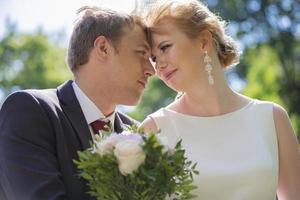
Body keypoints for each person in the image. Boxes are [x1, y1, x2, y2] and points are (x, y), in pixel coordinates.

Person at [141, 0, 300, 199]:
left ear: (204, 41)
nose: (159, 66)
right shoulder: (153, 130)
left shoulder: (272, 118)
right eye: (153, 58)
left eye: (164, 47)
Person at [0, 6, 154, 200]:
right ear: (103, 48)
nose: (151, 70)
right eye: (141, 53)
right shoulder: (29, 110)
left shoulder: (138, 133)